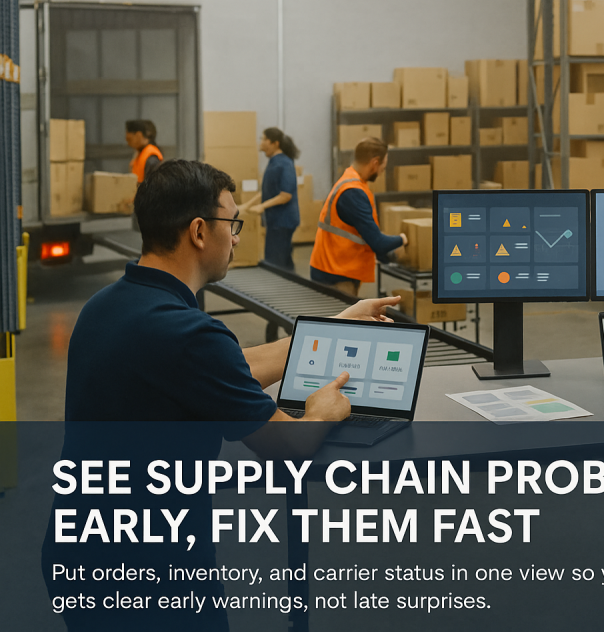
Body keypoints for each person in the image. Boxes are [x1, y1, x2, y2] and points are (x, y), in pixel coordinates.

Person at [45, 158, 401, 631]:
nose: (235, 237)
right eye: (231, 223)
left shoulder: (111, 304)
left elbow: (234, 367)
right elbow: (289, 445)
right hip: (150, 574)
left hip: (84, 551)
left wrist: (337, 326)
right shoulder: (187, 333)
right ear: (198, 231)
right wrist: (320, 411)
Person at [309, 137, 407, 296]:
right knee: (344, 320)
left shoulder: (350, 181)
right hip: (336, 275)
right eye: (383, 166)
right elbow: (378, 243)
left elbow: (362, 234)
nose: (383, 171)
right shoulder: (353, 193)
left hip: (331, 266)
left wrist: (387, 257)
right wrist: (403, 239)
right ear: (375, 163)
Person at [248, 127, 301, 270]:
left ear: (275, 143)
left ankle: (281, 288)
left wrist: (262, 207)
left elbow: (286, 195)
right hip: (276, 221)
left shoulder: (284, 163)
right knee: (284, 261)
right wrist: (247, 205)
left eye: (264, 139)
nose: (261, 142)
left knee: (275, 263)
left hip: (283, 221)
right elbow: (267, 192)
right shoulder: (274, 162)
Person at [126, 119, 163, 183]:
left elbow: (154, 186)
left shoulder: (151, 157)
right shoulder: (140, 154)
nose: (128, 144)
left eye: (129, 139)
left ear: (138, 135)